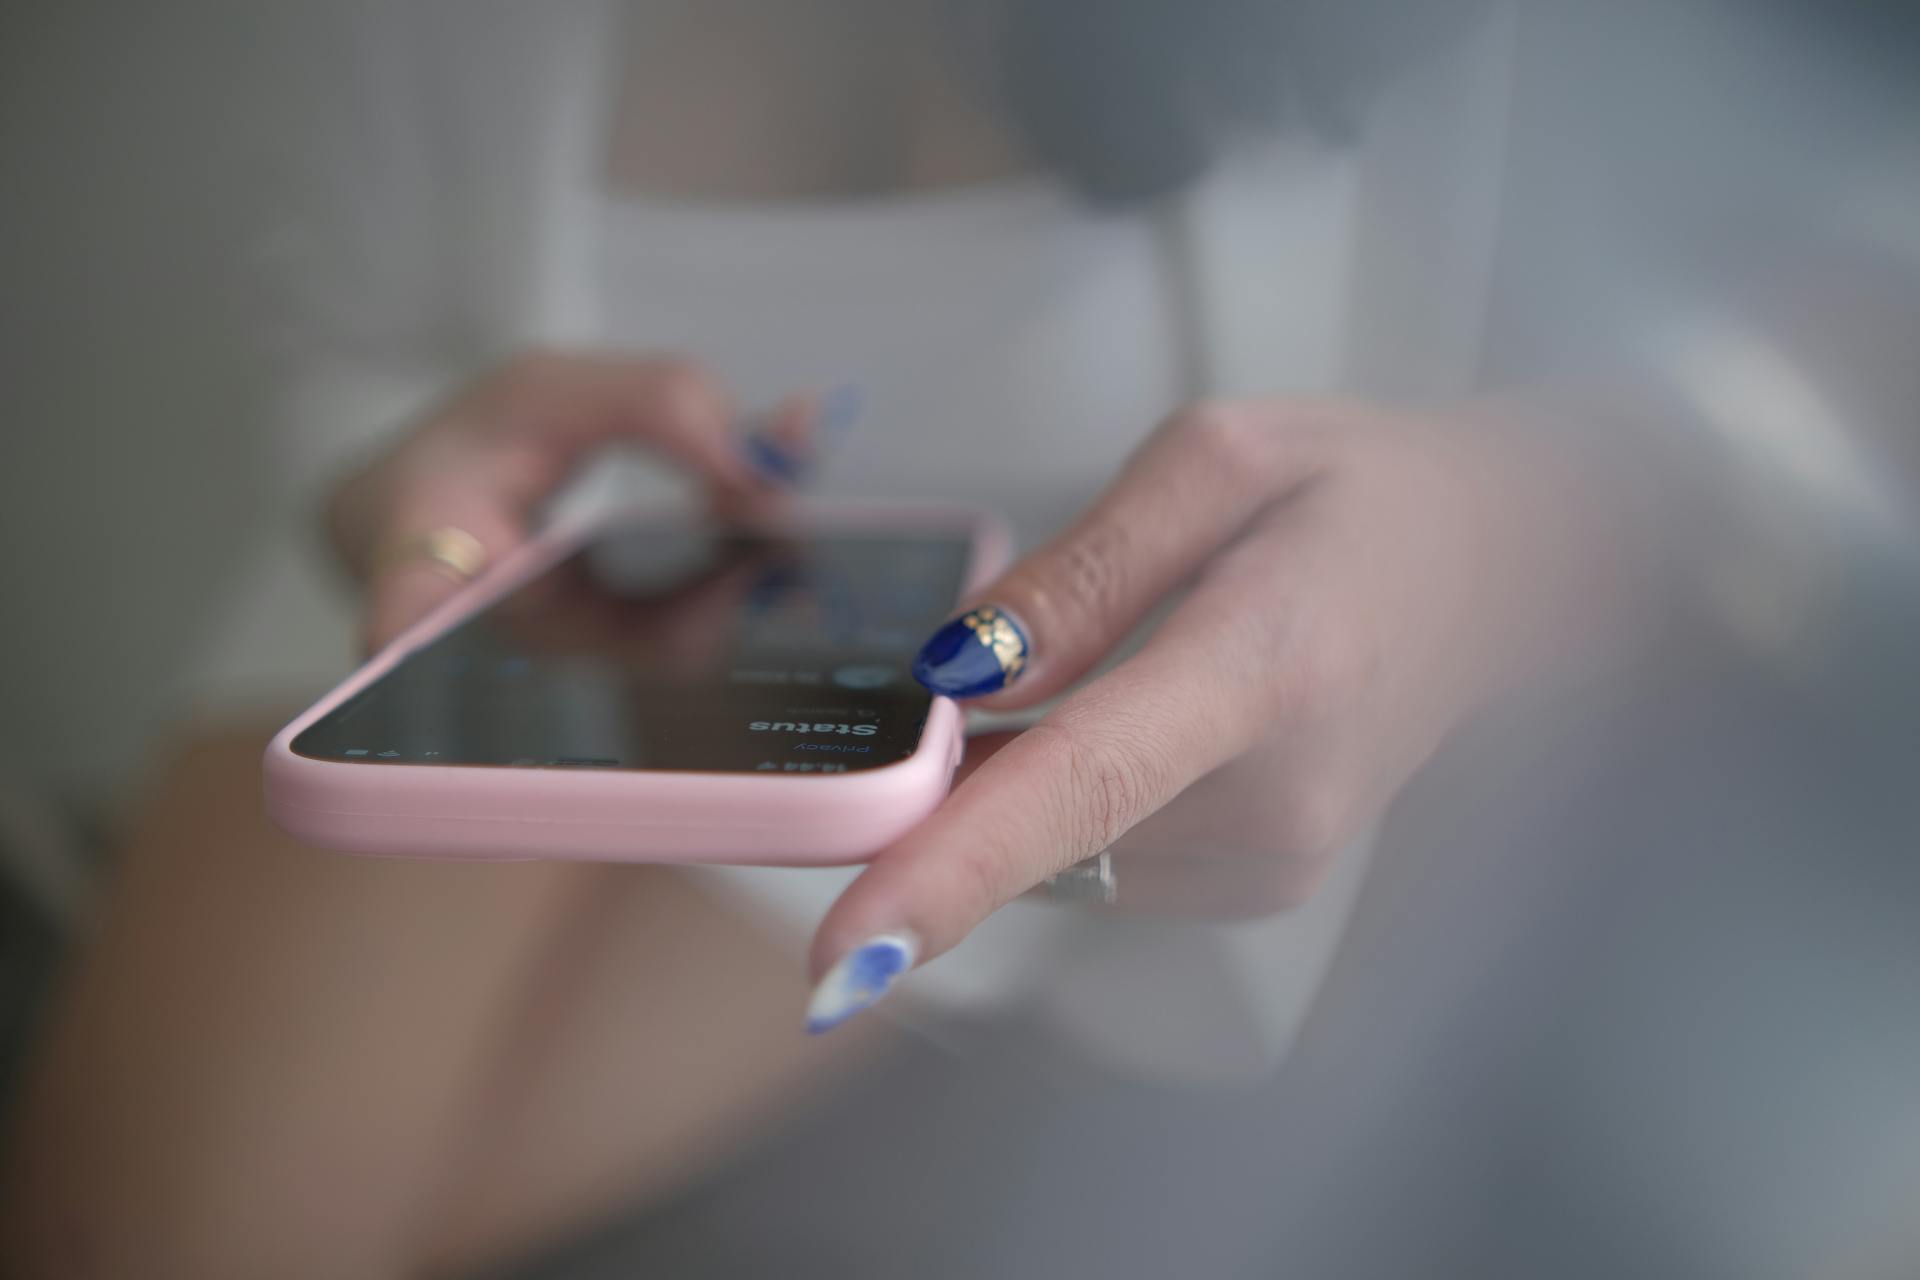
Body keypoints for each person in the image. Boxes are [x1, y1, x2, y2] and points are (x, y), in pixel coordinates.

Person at [4, 2, 1913, 1276]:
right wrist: (401, 491)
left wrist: (1519, 526)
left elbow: (1843, 348)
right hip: (560, 633)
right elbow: (350, 333)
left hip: (1098, 853)